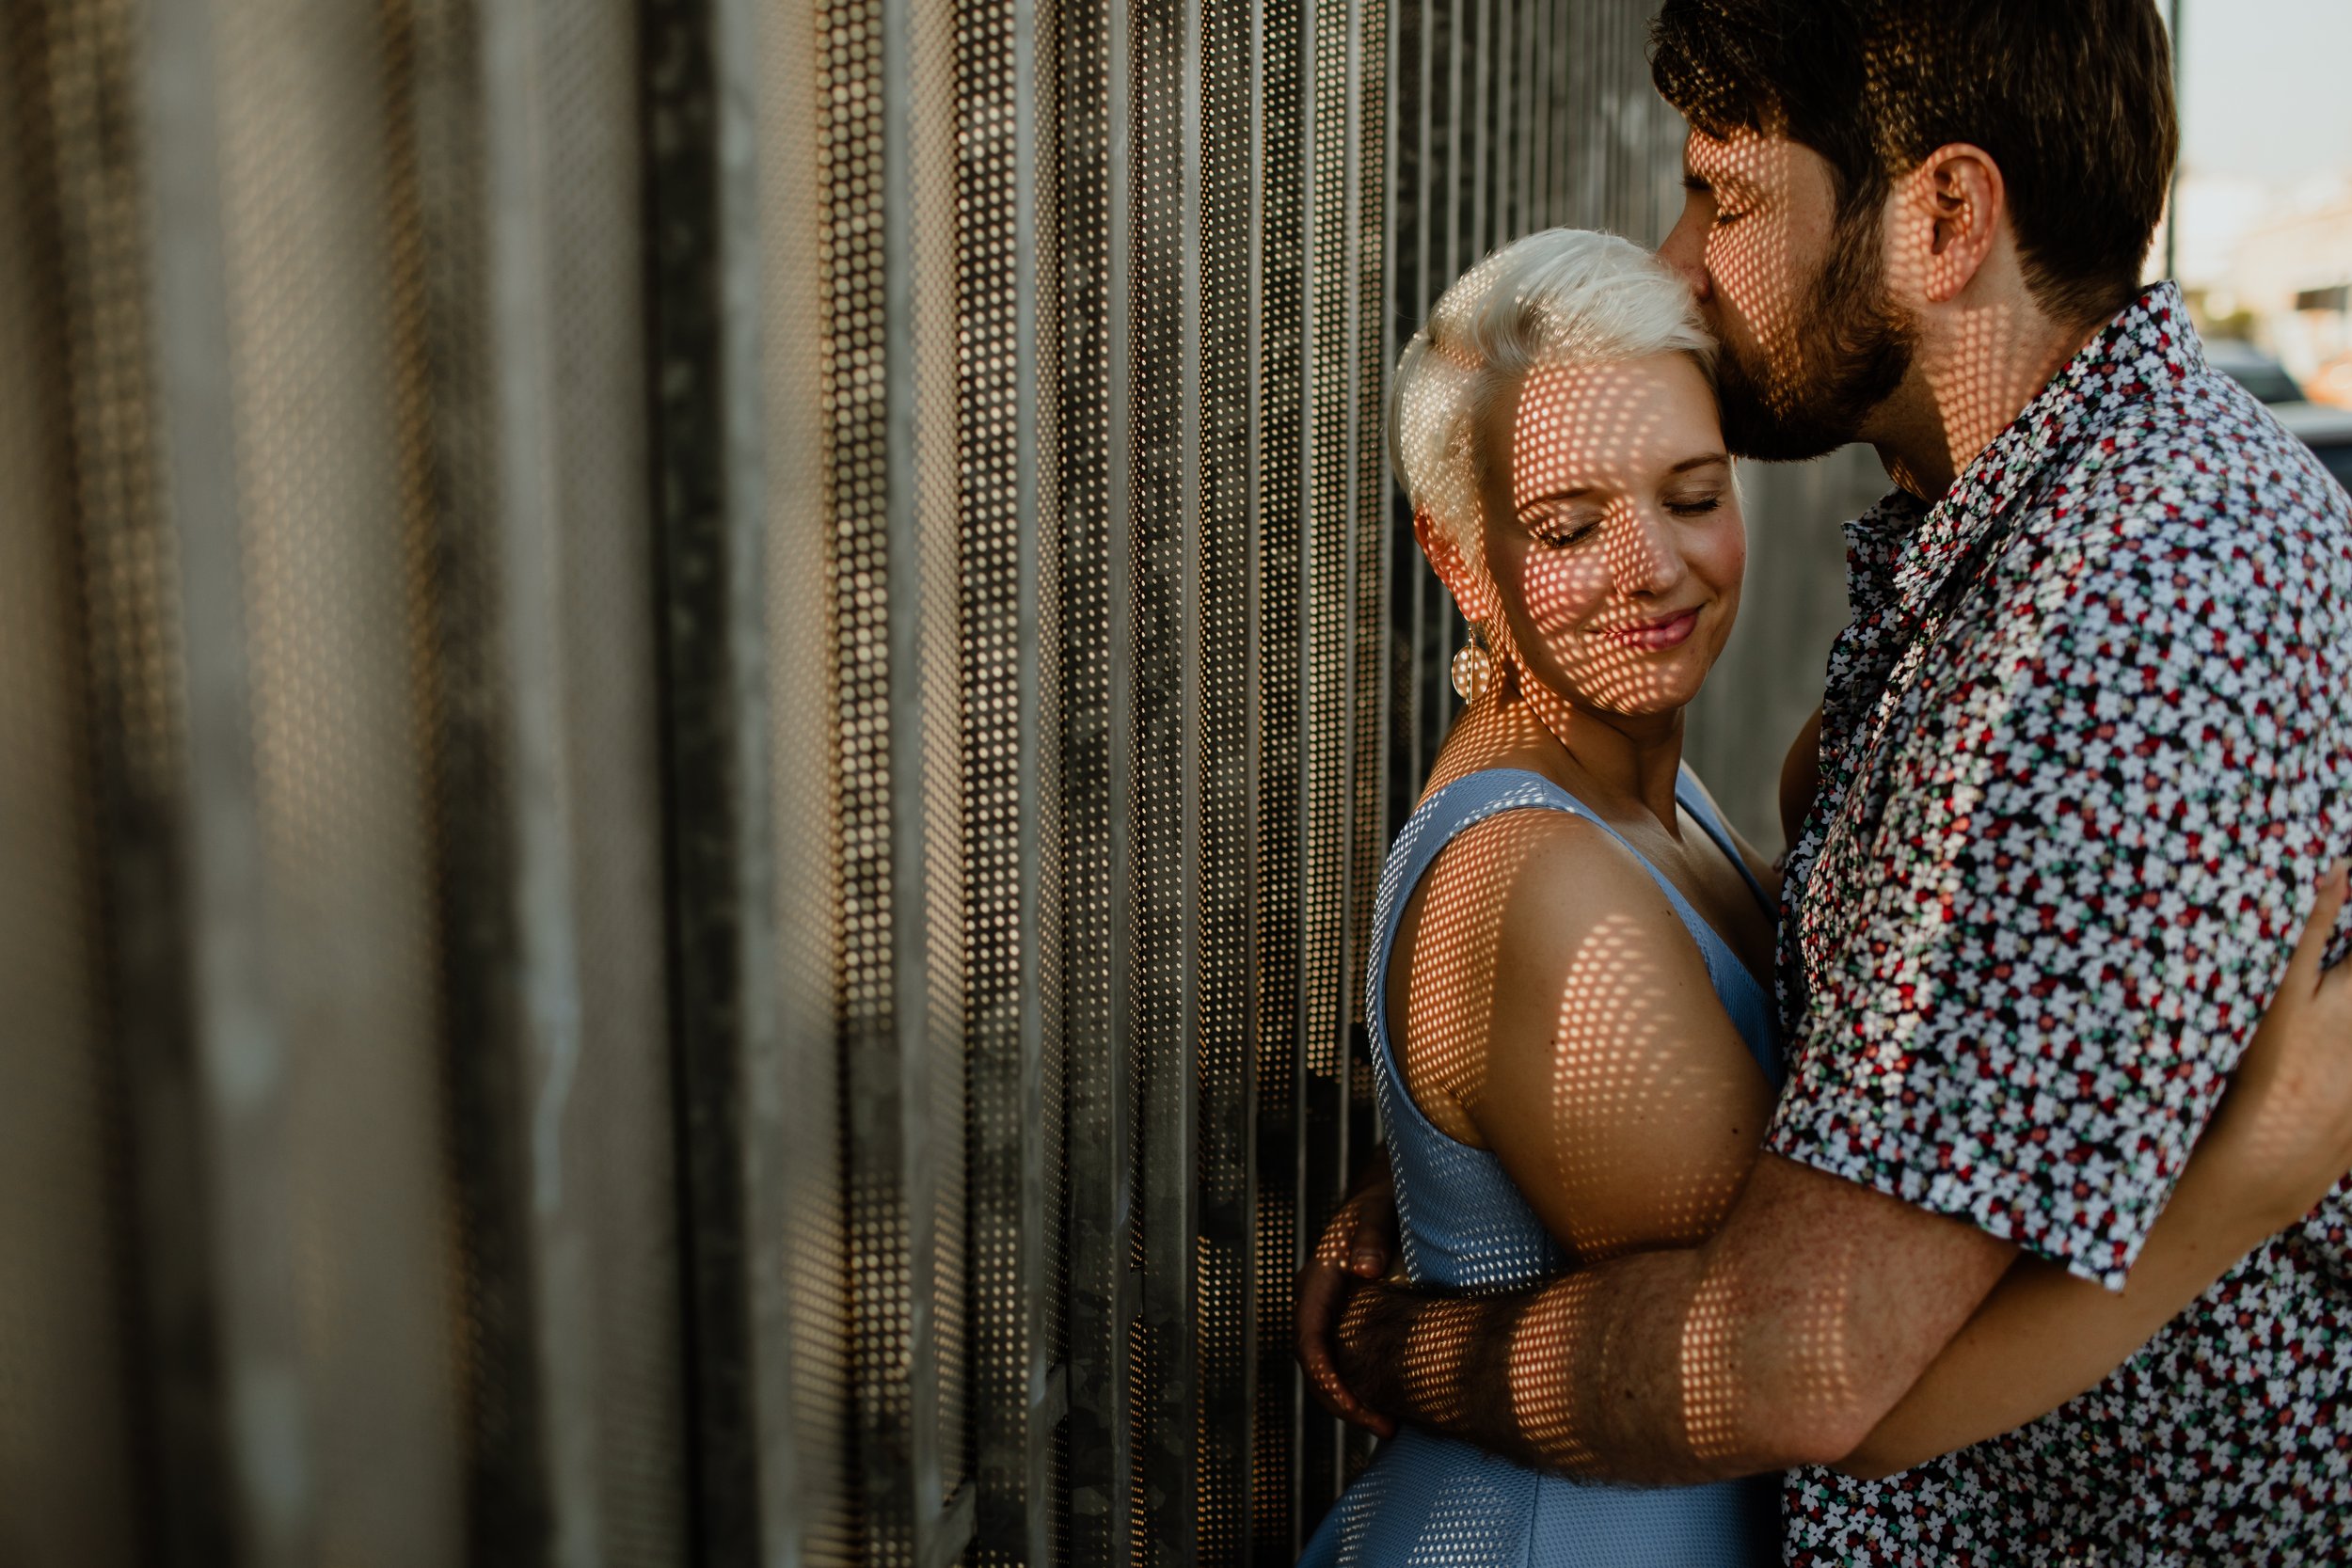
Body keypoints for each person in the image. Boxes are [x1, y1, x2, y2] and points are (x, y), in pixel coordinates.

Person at [1297, 1, 2352, 1560]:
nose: (1675, 260)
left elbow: (1796, 1361)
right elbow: (1927, 1055)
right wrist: (1514, 1156)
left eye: (1724, 194)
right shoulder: (2015, 539)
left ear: (1941, 218)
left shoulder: (2113, 625)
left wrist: (1409, 1343)